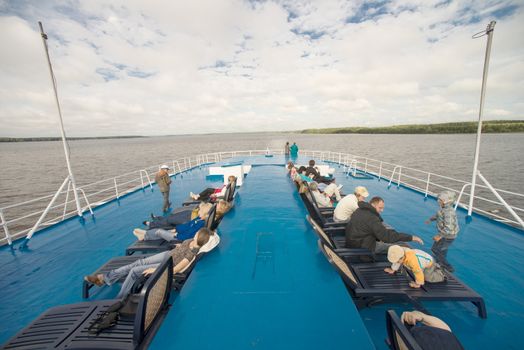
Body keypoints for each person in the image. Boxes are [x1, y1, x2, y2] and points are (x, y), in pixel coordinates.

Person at [85, 228, 212, 299]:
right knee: (139, 262)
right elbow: (181, 247)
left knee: (135, 271)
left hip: (167, 265)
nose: (195, 233)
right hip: (168, 254)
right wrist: (178, 246)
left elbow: (175, 269)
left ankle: (120, 298)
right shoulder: (190, 241)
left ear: (198, 237)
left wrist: (154, 270)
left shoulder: (191, 254)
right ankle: (106, 278)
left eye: (197, 233)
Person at [345, 196, 423, 253]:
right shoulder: (372, 218)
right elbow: (387, 237)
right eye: (380, 208)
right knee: (395, 247)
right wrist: (411, 237)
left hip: (351, 241)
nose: (382, 210)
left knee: (382, 238)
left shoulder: (360, 210)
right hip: (362, 247)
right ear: (372, 205)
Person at [137, 201, 232, 241]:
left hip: (180, 237)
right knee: (171, 219)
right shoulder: (202, 218)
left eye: (200, 212)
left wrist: (176, 234)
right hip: (184, 228)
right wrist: (176, 229)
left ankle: (145, 234)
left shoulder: (202, 222)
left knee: (161, 230)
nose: (216, 204)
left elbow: (190, 233)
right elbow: (189, 226)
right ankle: (154, 223)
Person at [426, 191, 459, 272]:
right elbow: (439, 215)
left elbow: (449, 227)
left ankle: (447, 267)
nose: (438, 202)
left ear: (446, 202)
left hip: (448, 236)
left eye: (440, 200)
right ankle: (440, 262)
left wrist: (439, 235)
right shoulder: (444, 209)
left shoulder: (449, 213)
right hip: (445, 234)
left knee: (435, 249)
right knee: (442, 250)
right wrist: (431, 219)